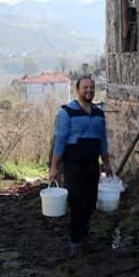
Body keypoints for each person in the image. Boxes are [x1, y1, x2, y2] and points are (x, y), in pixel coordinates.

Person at [49, 76, 112, 256]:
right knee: (77, 204)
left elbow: (103, 142)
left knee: (90, 203)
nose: (89, 91)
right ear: (78, 90)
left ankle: (84, 238)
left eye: (92, 88)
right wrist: (54, 167)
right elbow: (60, 142)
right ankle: (75, 243)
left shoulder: (99, 114)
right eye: (85, 87)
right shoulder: (67, 113)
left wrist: (107, 163)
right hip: (73, 166)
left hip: (92, 165)